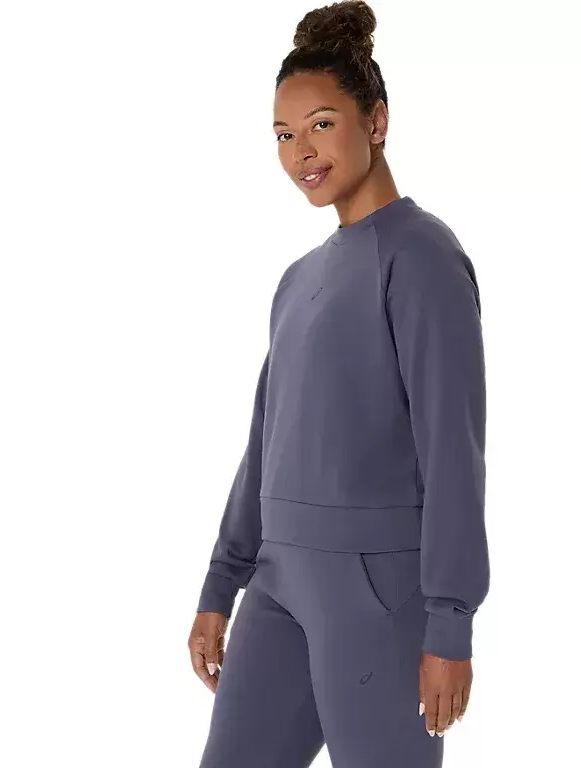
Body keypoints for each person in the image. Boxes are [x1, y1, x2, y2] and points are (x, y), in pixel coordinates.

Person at [187, 2, 490, 765]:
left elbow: (453, 454)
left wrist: (450, 622)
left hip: (377, 595)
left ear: (376, 121)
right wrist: (221, 585)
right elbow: (265, 444)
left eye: (321, 124)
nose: (302, 152)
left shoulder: (421, 258)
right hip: (278, 583)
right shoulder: (298, 280)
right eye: (283, 135)